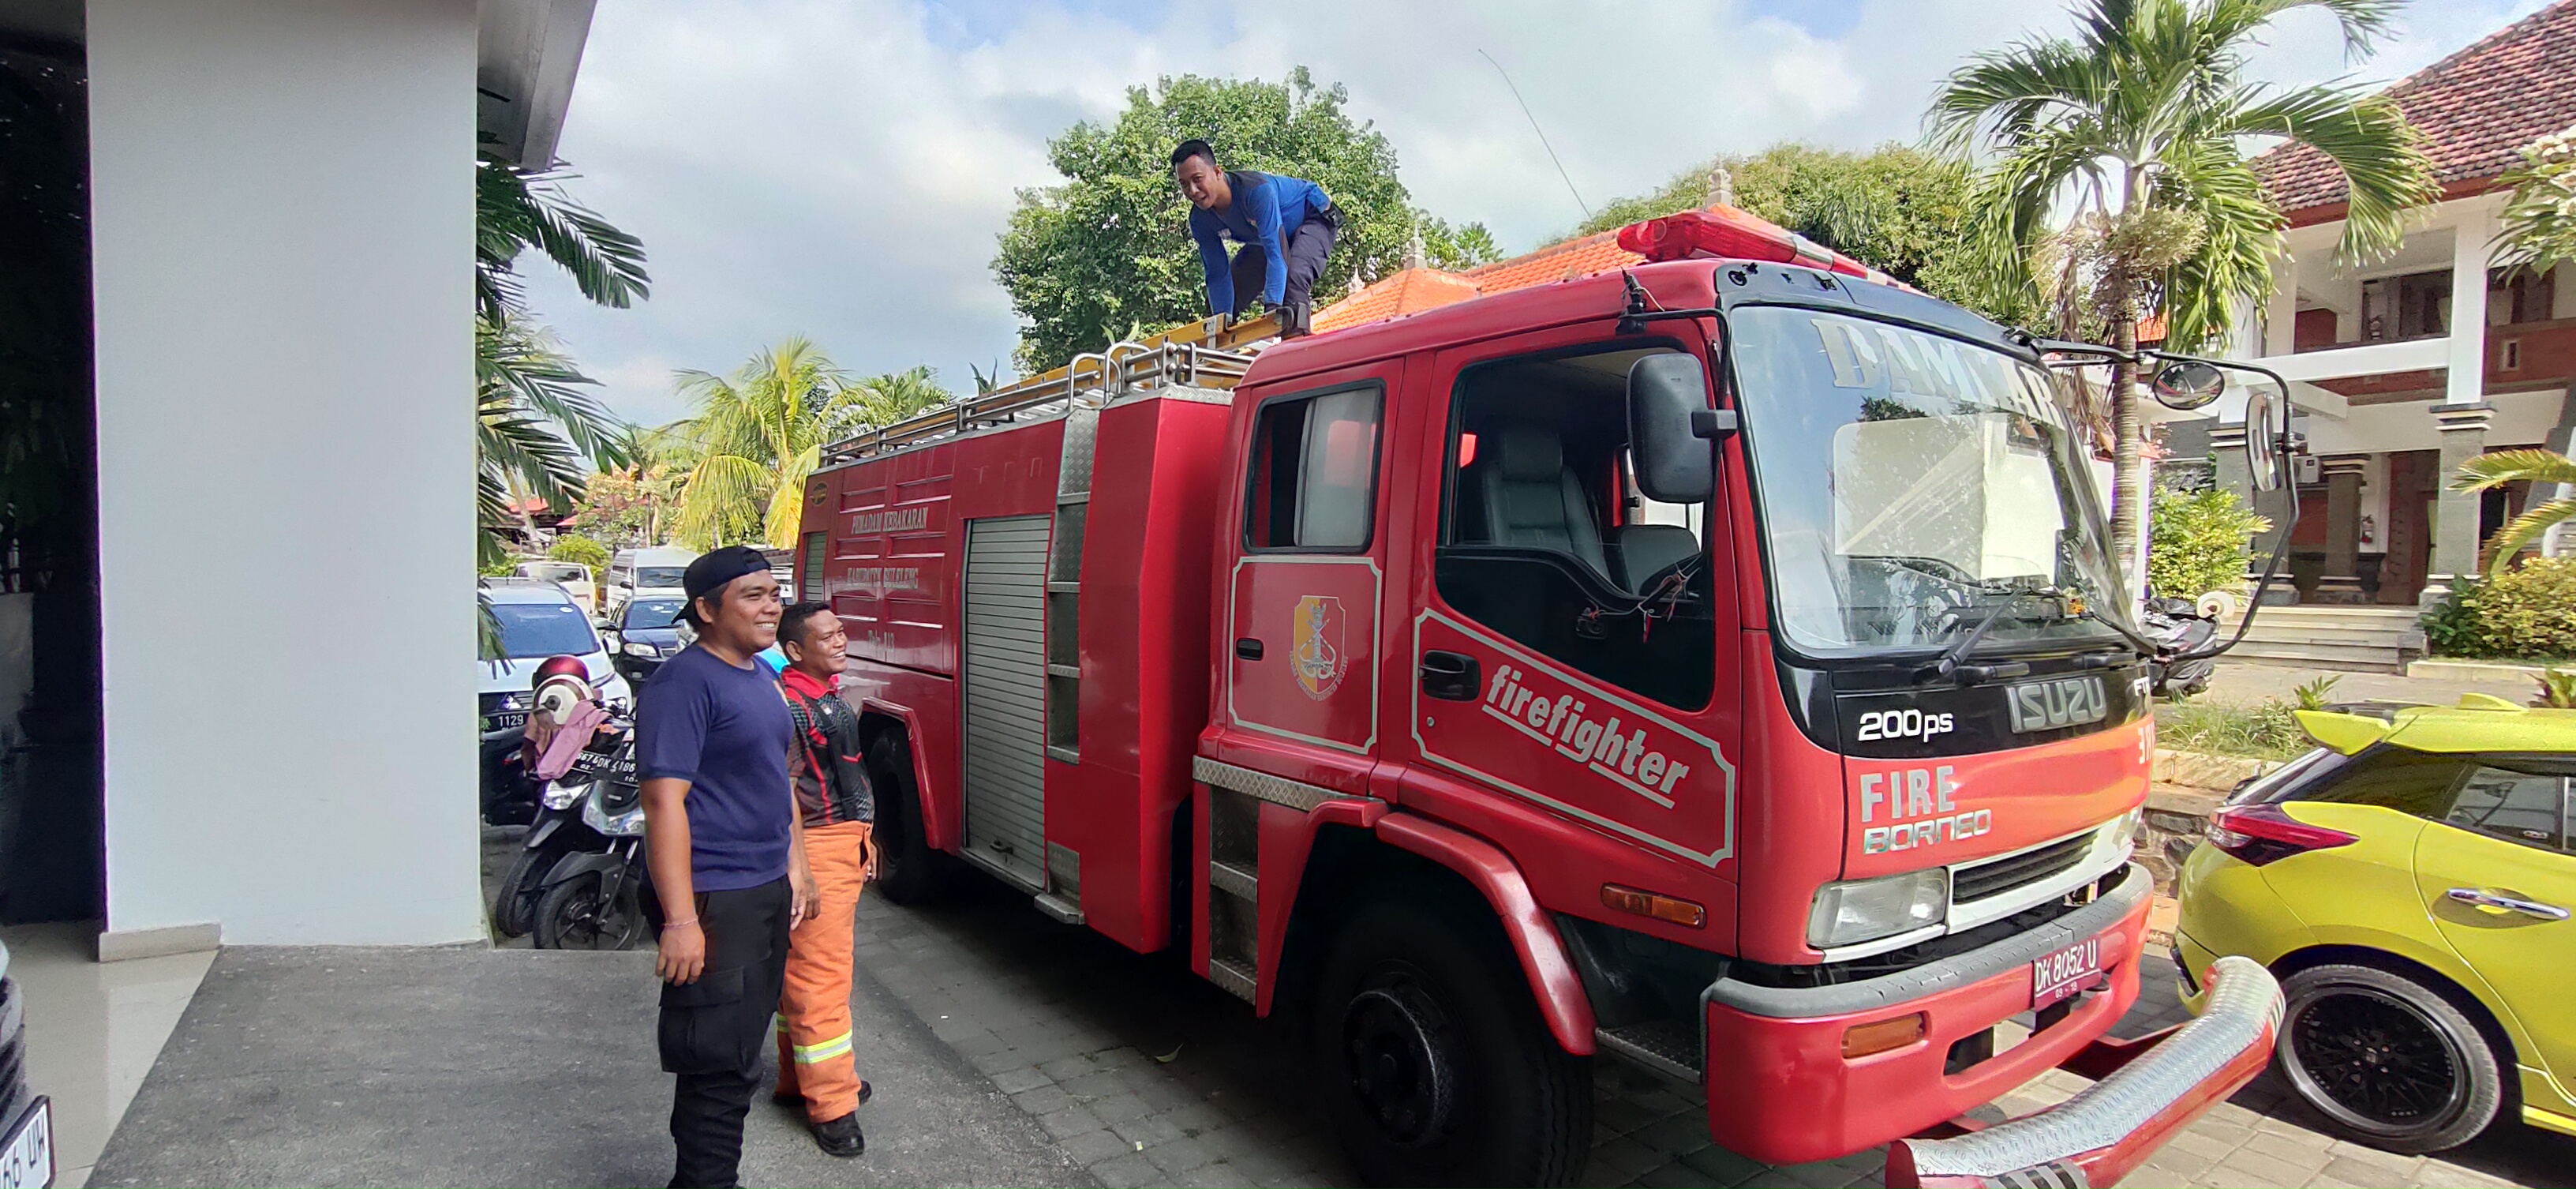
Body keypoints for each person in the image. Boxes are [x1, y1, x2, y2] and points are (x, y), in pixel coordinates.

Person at [635, 546, 818, 1189]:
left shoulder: (759, 674)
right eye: (752, 595)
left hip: (762, 887)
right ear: (707, 610)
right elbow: (663, 802)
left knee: (740, 1055)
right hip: (715, 896)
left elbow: (779, 775)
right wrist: (682, 920)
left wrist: (797, 866)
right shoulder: (684, 684)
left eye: (774, 593)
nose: (772, 606)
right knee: (714, 1062)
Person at [769, 602, 878, 1157]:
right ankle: (834, 1106)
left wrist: (863, 841)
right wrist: (803, 870)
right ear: (794, 650)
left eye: (840, 631)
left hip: (839, 844)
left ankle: (798, 1082)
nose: (840, 641)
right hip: (817, 849)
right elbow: (784, 790)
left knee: (801, 975)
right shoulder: (788, 706)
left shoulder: (819, 694)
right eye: (826, 635)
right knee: (822, 978)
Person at [1173, 138, 1340, 338]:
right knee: (1224, 299)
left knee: (1291, 278)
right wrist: (1220, 325)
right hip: (1268, 237)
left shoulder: (1257, 192)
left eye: (1197, 179)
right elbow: (1217, 274)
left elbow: (1277, 254)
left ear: (1217, 172)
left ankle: (1297, 341)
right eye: (1184, 184)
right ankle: (1222, 354)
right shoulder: (1200, 220)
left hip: (1312, 217)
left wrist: (1272, 310)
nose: (1193, 191)